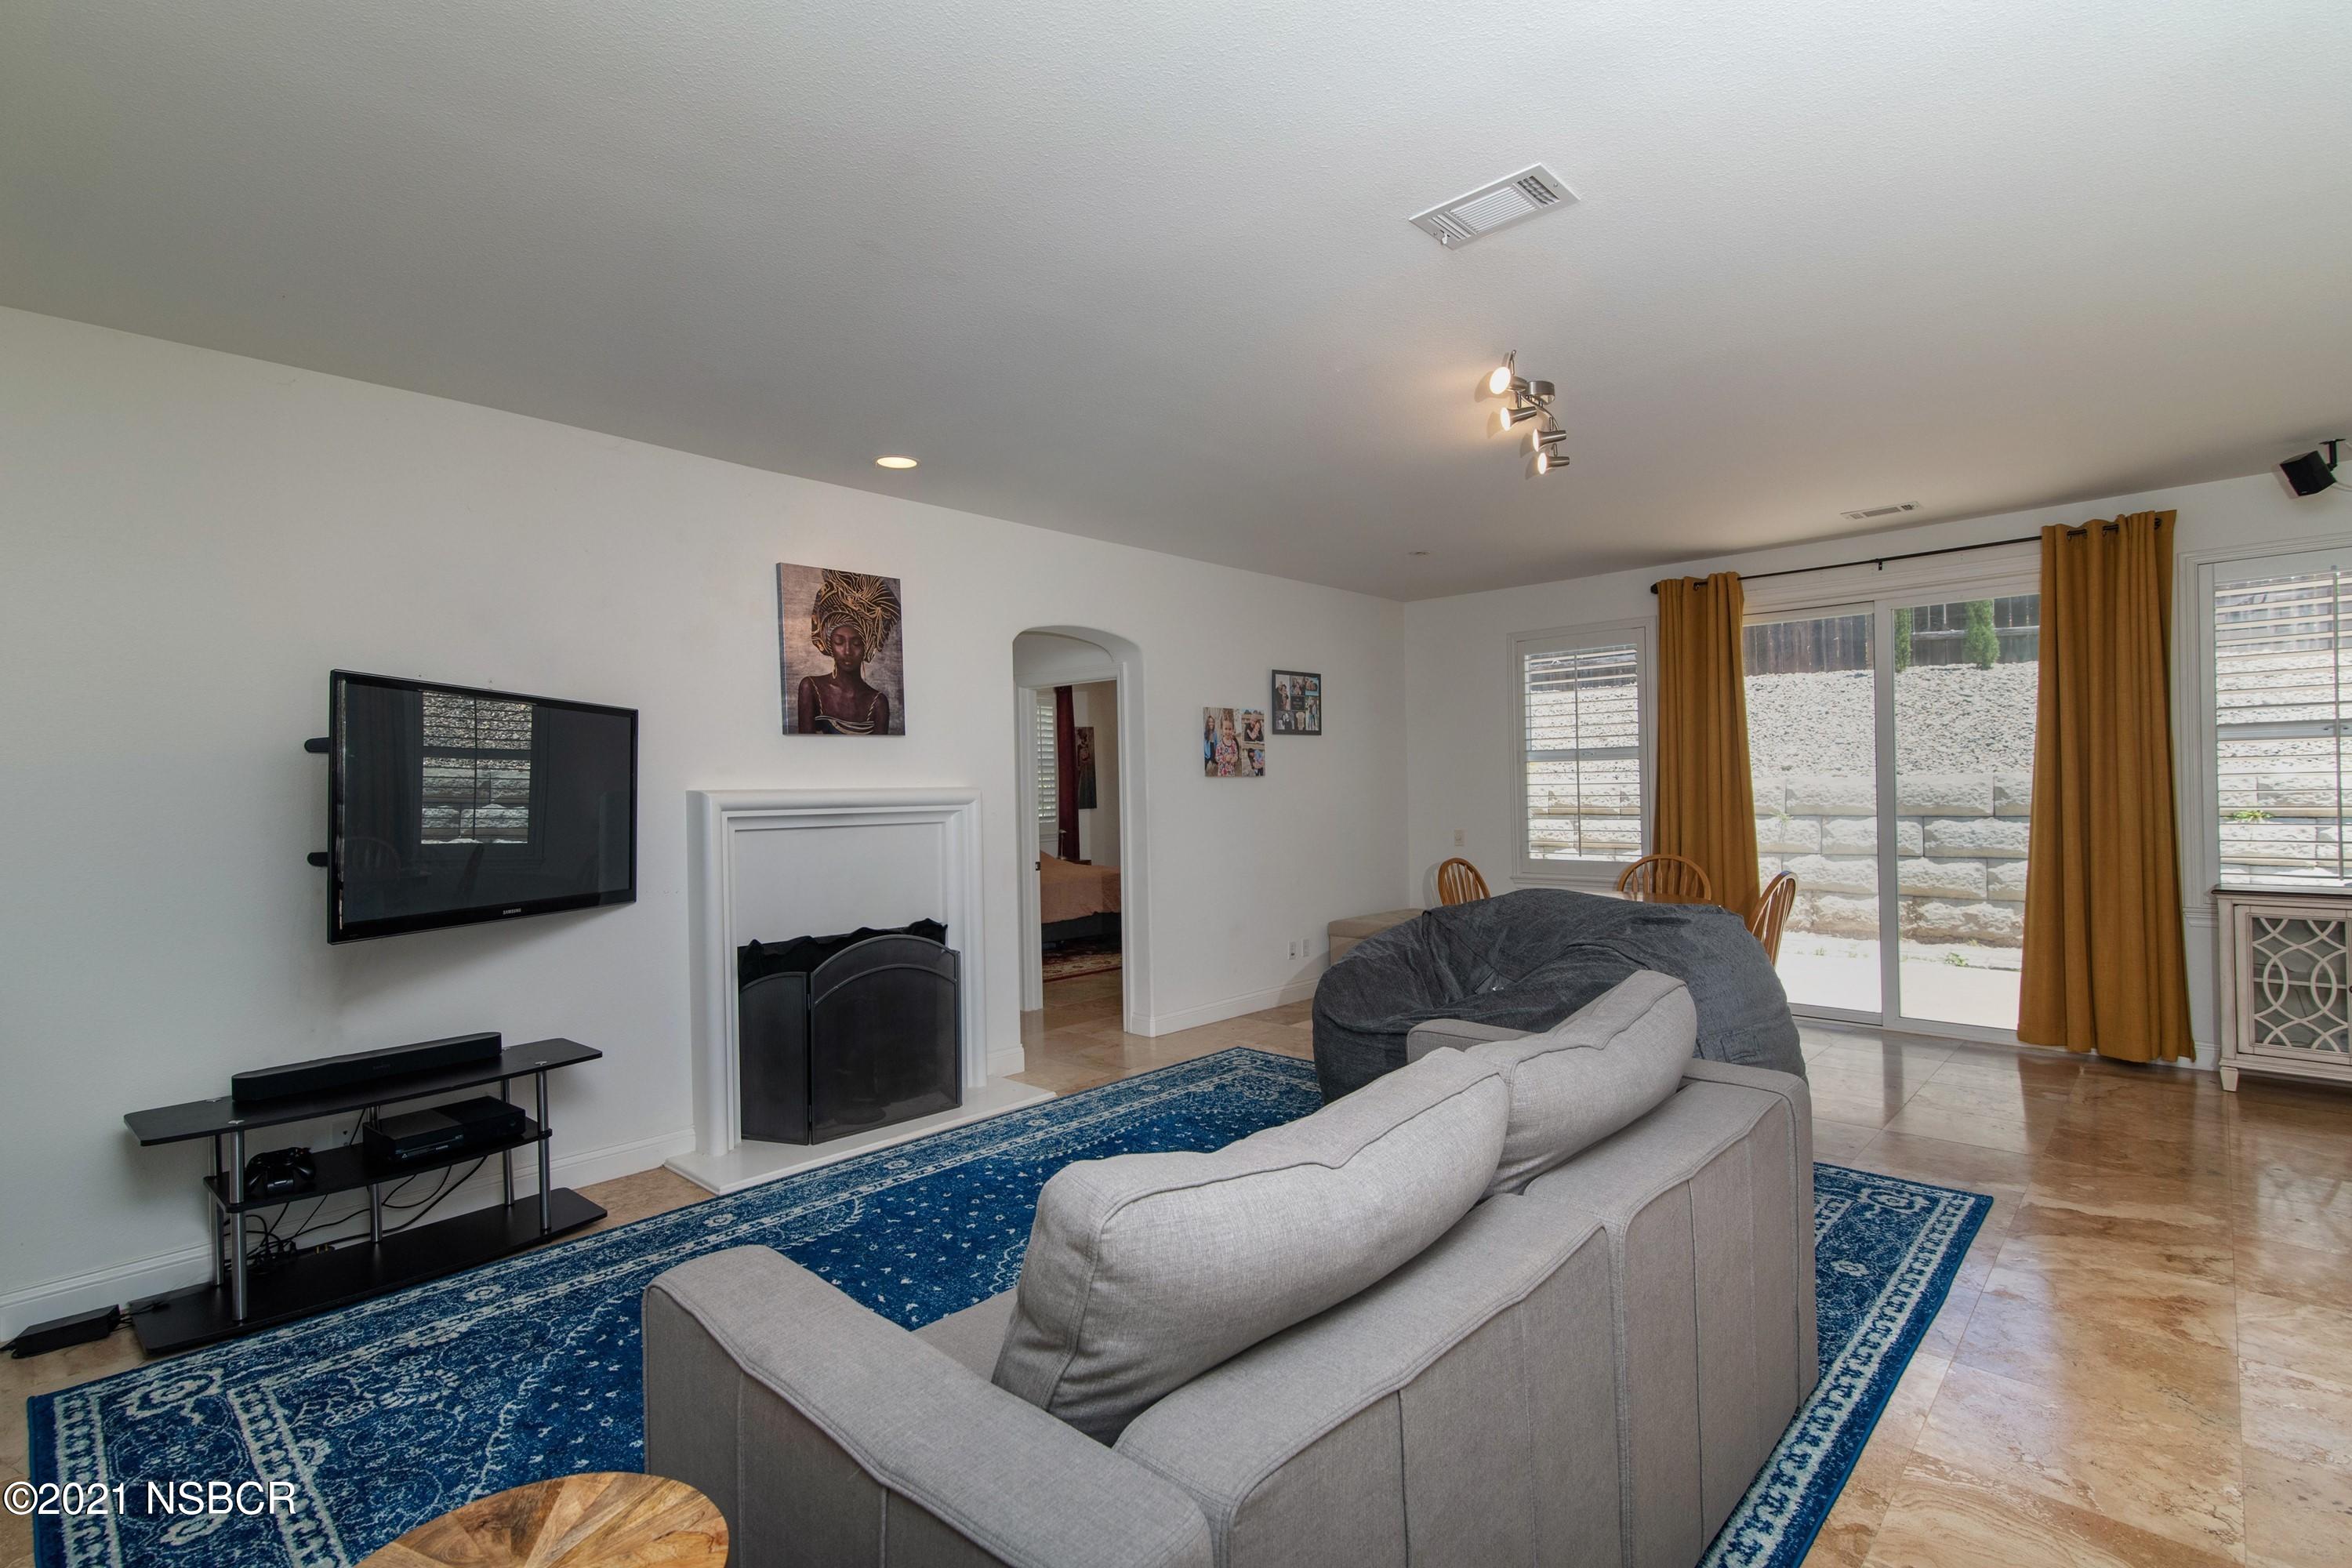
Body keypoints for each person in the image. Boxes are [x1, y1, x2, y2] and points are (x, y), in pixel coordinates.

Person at [795, 570, 899, 735]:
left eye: (856, 643)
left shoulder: (878, 702)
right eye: (839, 642)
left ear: (866, 647)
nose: (848, 651)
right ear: (829, 644)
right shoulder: (811, 687)